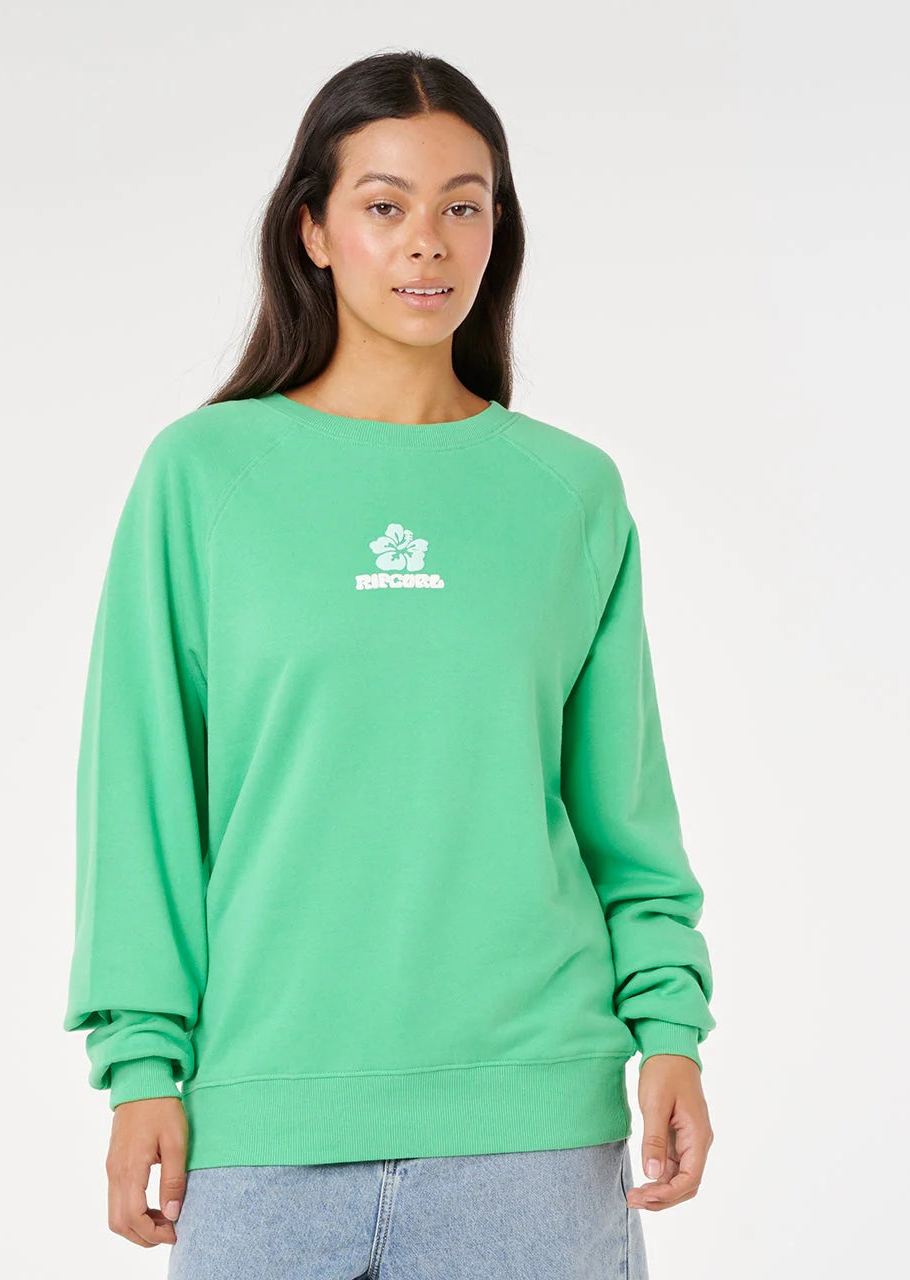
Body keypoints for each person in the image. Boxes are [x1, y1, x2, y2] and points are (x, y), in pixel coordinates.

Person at [63, 48, 716, 1279]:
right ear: (313, 230)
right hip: (261, 1126)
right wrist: (141, 1061)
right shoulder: (204, 476)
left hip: (532, 1132)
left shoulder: (568, 492)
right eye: (385, 204)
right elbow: (140, 794)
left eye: (464, 205)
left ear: (497, 229)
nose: (428, 241)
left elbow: (624, 813)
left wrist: (670, 1028)